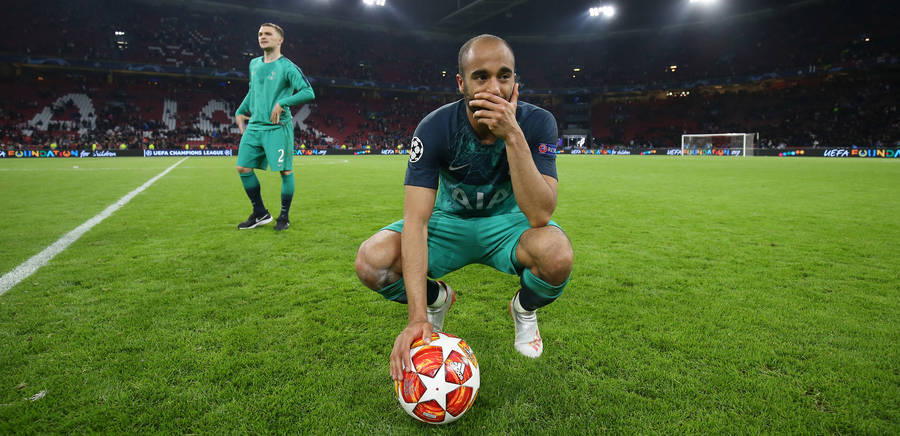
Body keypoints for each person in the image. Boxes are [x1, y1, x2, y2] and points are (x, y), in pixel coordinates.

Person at [354, 34, 574, 381]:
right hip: (449, 223)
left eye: (504, 75)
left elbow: (540, 215)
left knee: (557, 255)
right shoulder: (435, 128)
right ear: (461, 83)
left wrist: (513, 135)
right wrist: (417, 317)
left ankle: (524, 309)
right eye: (480, 76)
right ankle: (436, 299)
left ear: (515, 80)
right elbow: (416, 221)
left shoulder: (537, 123)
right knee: (371, 261)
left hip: (508, 225)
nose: (494, 88)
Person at [234, 23, 315, 231]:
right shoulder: (254, 64)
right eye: (260, 33)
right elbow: (253, 91)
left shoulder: (287, 67)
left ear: (280, 40)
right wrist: (240, 111)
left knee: (285, 172)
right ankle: (260, 213)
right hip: (254, 126)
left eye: (268, 34)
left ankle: (284, 217)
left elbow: (308, 92)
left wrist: (283, 103)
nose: (263, 37)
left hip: (278, 127)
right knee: (243, 168)